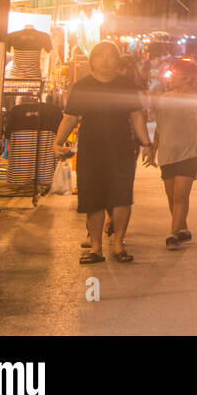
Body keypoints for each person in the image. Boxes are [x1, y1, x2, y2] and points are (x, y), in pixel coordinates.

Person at [53, 41, 151, 264]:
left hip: (122, 148)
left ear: (117, 61)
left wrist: (146, 144)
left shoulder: (126, 84)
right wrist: (57, 142)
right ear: (92, 61)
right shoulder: (83, 86)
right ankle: (96, 248)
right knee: (93, 199)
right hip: (90, 148)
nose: (106, 61)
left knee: (122, 196)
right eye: (101, 57)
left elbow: (136, 115)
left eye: (111, 57)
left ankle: (119, 244)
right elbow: (70, 117)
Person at [144, 58, 197, 250]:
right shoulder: (164, 99)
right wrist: (153, 150)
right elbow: (159, 127)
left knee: (180, 196)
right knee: (171, 196)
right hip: (167, 154)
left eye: (176, 74)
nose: (171, 78)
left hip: (189, 154)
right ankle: (183, 228)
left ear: (188, 78)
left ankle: (173, 235)